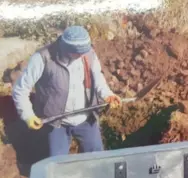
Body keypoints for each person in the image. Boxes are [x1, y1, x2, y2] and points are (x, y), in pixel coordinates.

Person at [12, 25, 122, 157]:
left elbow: (97, 78)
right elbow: (20, 89)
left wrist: (108, 95)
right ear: (66, 48)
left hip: (86, 118)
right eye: (78, 53)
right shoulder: (43, 58)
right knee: (56, 164)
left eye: (84, 52)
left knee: (97, 158)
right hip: (57, 123)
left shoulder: (88, 54)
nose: (82, 56)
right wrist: (28, 115)